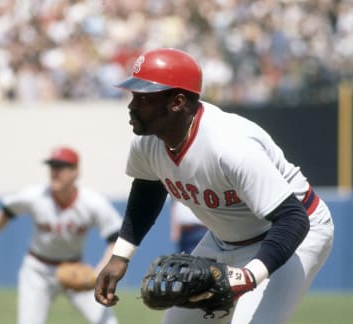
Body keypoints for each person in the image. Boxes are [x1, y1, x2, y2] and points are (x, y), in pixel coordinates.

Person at [94, 48, 335, 324]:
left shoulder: (229, 146)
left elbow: (293, 219)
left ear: (177, 102)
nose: (132, 106)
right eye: (133, 96)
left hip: (292, 234)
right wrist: (121, 256)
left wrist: (248, 276)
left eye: (143, 98)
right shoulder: (147, 140)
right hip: (224, 239)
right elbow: (148, 190)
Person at [0, 146, 121, 324]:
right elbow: (6, 210)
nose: (55, 172)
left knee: (108, 322)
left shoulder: (92, 202)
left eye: (61, 167)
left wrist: (100, 269)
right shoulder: (35, 196)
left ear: (75, 172)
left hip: (74, 268)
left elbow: (115, 237)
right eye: (52, 166)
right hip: (37, 270)